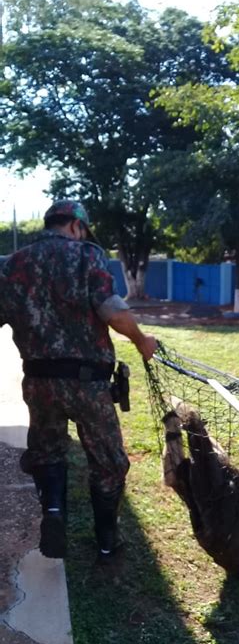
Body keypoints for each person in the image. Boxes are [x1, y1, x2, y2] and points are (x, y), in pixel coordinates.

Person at [0, 199, 157, 561]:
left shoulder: (15, 264)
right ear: (75, 226)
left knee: (48, 450)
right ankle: (106, 540)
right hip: (88, 382)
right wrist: (141, 340)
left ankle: (54, 512)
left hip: (39, 381)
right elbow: (111, 309)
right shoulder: (87, 256)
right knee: (108, 461)